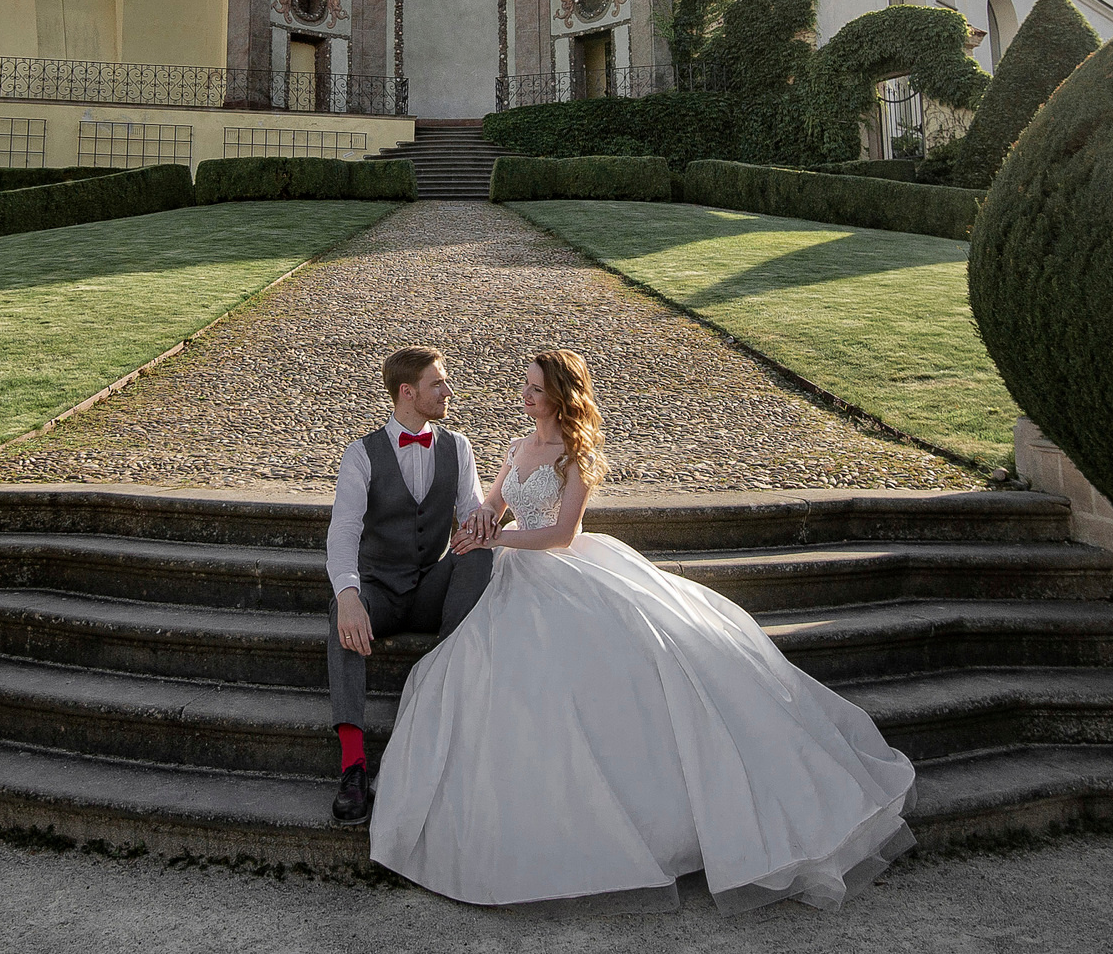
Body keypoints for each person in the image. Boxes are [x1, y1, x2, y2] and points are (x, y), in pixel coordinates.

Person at [368, 349, 917, 911]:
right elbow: (493, 501)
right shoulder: (516, 446)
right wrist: (485, 517)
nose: (526, 397)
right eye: (526, 387)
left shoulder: (576, 454)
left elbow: (560, 534)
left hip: (559, 567)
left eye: (535, 389)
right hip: (509, 574)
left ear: (561, 395)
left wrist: (497, 539)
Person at [323, 346, 496, 826]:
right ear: (408, 392)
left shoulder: (458, 447)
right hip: (379, 589)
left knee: (480, 552)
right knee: (342, 615)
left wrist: (479, 525)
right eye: (438, 383)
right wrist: (349, 595)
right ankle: (353, 768)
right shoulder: (361, 454)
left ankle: (446, 674)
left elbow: (472, 511)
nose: (448, 391)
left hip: (428, 590)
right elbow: (343, 532)